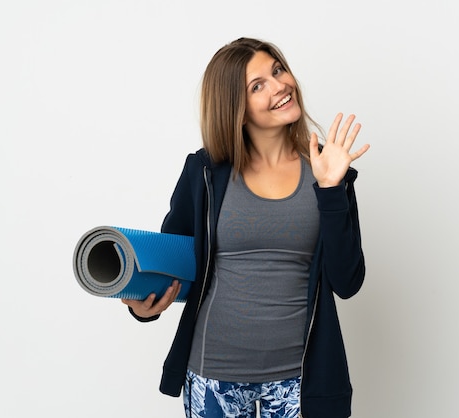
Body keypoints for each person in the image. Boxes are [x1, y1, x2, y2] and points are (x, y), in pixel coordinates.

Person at [121, 37, 370, 418]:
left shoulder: (327, 172)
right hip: (213, 374)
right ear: (236, 109)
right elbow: (173, 260)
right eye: (258, 85)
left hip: (300, 381)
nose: (280, 85)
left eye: (278, 70)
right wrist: (143, 308)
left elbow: (347, 282)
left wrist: (331, 189)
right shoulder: (204, 172)